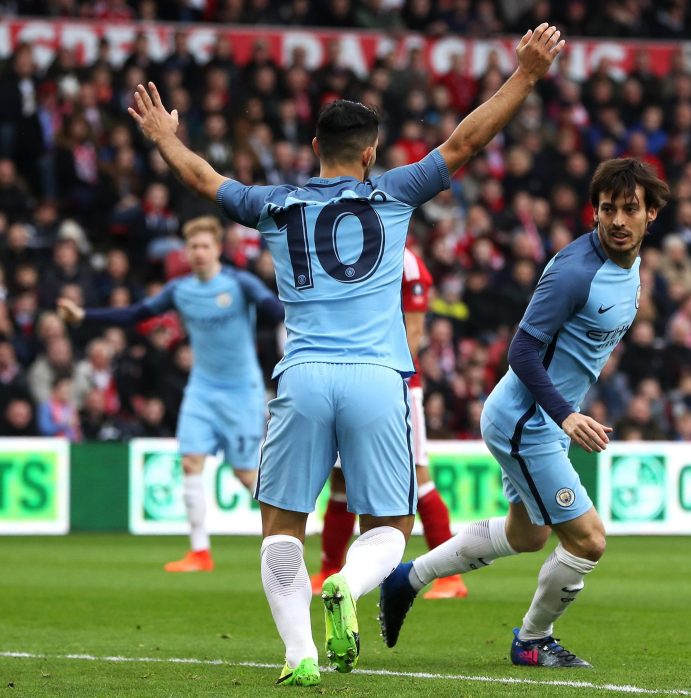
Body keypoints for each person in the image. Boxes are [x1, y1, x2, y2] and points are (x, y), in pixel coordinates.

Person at [125, 23, 564, 686]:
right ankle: (348, 587)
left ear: (314, 149)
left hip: (300, 376)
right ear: (371, 154)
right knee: (390, 524)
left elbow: (202, 179)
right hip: (376, 377)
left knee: (280, 526)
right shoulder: (395, 192)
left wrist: (163, 137)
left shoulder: (275, 202)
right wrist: (526, 74)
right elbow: (468, 140)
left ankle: (300, 655)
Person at [379, 158, 670, 667]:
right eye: (608, 210)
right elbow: (522, 352)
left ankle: (407, 578)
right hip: (527, 421)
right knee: (588, 539)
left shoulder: (630, 265)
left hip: (541, 418)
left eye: (630, 209)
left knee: (528, 534)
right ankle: (533, 641)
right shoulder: (577, 272)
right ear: (594, 213)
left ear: (652, 215)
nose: (619, 220)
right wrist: (564, 414)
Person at [58, 216, 283, 571]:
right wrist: (84, 316)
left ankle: (286, 535)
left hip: (242, 391)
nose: (198, 252)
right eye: (192, 246)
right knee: (190, 461)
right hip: (202, 389)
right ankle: (199, 551)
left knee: (245, 474)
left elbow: (277, 311)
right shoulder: (181, 290)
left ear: (217, 249)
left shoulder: (240, 284)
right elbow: (134, 314)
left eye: (204, 246)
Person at [312, 245, 467, 600]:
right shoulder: (343, 251)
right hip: (345, 381)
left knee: (418, 474)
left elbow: (413, 336)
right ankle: (327, 571)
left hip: (396, 386)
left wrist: (383, 379)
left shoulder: (406, 260)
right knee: (340, 479)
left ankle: (450, 577)